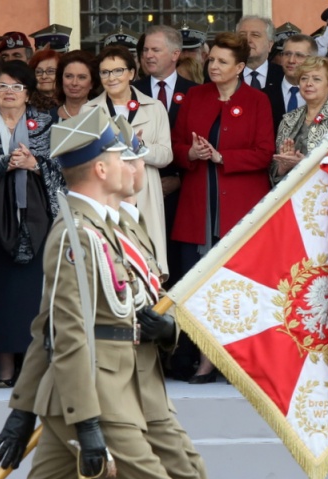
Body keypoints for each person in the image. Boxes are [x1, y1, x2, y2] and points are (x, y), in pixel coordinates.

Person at [0, 109, 196, 479]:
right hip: (96, 394)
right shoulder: (76, 235)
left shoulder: (107, 230)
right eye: (124, 158)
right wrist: (84, 422)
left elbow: (50, 328)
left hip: (115, 385)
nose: (134, 166)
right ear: (101, 168)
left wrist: (25, 407)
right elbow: (63, 334)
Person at [171, 32, 274, 383]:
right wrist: (191, 153)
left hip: (242, 208)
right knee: (199, 287)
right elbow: (176, 143)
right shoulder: (195, 97)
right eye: (211, 59)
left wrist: (222, 156)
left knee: (240, 285)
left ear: (240, 67)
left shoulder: (257, 100)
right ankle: (205, 359)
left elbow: (264, 152)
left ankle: (242, 361)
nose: (213, 66)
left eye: (222, 62)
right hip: (199, 205)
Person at [0, 61, 64, 387]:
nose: (8, 93)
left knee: (33, 300)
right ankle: (5, 370)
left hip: (38, 223)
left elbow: (65, 173)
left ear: (28, 93)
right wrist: (7, 162)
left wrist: (35, 164)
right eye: (2, 86)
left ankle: (34, 370)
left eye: (16, 87)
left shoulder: (48, 126)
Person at [84, 45, 173, 277]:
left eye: (118, 71)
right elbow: (83, 159)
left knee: (147, 266)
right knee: (110, 266)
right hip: (106, 194)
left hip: (144, 195)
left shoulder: (155, 108)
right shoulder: (89, 110)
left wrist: (139, 146)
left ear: (132, 73)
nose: (111, 78)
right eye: (105, 72)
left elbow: (166, 156)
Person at [271, 56, 328, 266]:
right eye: (304, 78)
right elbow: (275, 170)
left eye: (316, 79)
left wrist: (304, 165)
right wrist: (283, 168)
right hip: (295, 210)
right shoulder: (289, 119)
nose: (308, 84)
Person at [132, 25, 199, 291]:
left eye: (155, 50)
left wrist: (178, 180)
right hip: (139, 192)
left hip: (182, 194)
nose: (148, 55)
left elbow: (196, 142)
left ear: (175, 54)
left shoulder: (195, 92)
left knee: (178, 267)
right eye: (146, 49)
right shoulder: (131, 91)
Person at [267, 34, 316, 131]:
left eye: (299, 55)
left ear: (312, 60)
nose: (291, 60)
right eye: (287, 54)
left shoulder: (322, 96)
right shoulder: (265, 95)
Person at [237, 16, 284, 92]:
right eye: (242, 35)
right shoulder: (226, 74)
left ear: (270, 45)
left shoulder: (283, 76)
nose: (247, 40)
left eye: (255, 35)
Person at [53, 50, 98, 123]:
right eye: (69, 76)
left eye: (82, 77)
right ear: (61, 79)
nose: (74, 83)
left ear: (92, 83)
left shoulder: (102, 117)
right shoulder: (46, 117)